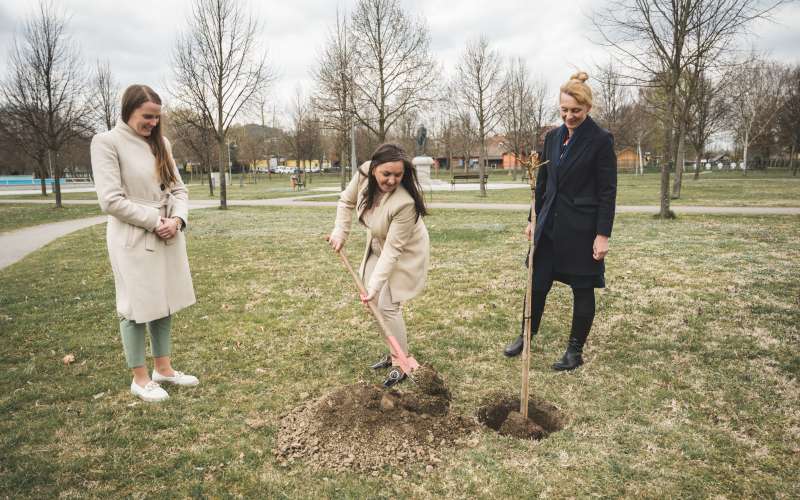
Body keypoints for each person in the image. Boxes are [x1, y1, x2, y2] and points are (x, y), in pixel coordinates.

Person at [91, 84, 198, 402]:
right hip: (132, 237)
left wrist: (177, 221)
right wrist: (155, 221)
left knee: (164, 300)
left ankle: (163, 369)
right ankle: (139, 378)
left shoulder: (161, 143)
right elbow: (110, 200)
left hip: (168, 233)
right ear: (128, 111)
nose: (152, 123)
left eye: (156, 117)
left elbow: (179, 190)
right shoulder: (107, 143)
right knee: (134, 305)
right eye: (146, 116)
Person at [503, 71, 617, 371]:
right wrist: (533, 219)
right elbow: (542, 183)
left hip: (582, 229)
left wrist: (602, 235)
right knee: (536, 284)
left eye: (575, 111)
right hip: (549, 227)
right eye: (564, 110)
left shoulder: (601, 140)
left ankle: (574, 352)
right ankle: (526, 336)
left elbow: (608, 191)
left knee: (583, 288)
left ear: (588, 108)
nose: (569, 116)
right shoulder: (552, 137)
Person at [327, 143, 430, 387]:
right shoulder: (363, 173)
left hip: (405, 253)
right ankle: (394, 352)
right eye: (387, 174)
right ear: (374, 169)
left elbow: (393, 251)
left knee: (387, 305)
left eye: (398, 174)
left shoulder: (405, 203)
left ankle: (401, 363)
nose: (392, 180)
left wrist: (373, 286)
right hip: (377, 245)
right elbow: (346, 201)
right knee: (375, 305)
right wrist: (340, 232)